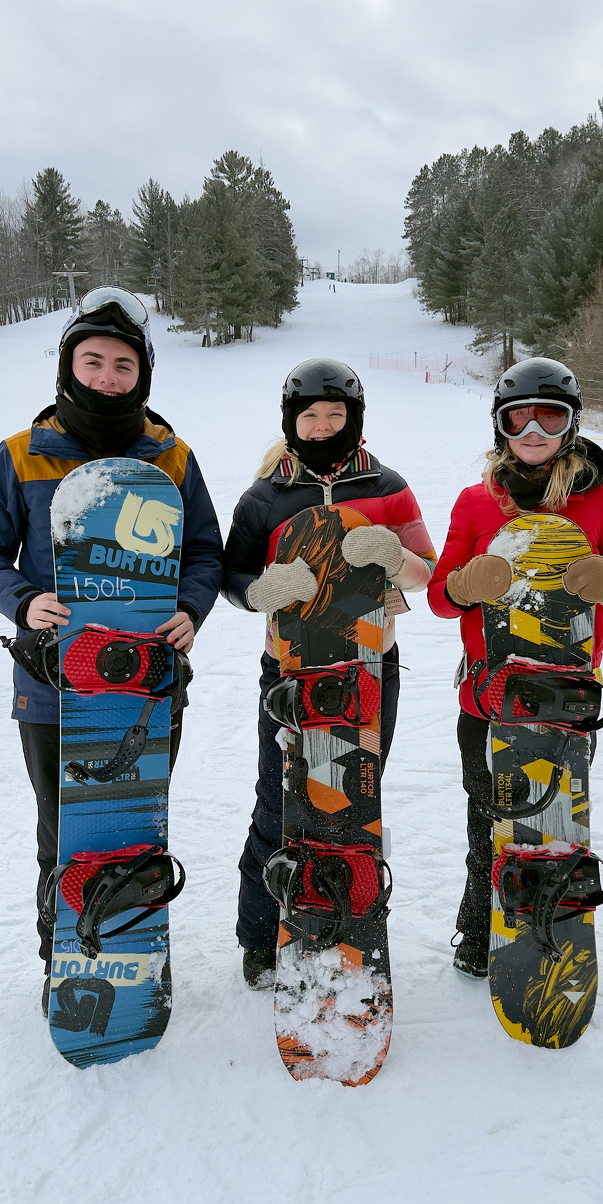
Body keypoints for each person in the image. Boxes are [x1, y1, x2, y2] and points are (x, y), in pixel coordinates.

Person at [0, 287, 224, 987]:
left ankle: (136, 956)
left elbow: (204, 551)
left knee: (136, 824)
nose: (108, 377)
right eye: (93, 360)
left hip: (148, 682)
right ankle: (65, 960)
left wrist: (192, 608)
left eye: (123, 366)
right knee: (66, 832)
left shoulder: (171, 455)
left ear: (143, 375)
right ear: (68, 366)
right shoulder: (22, 453)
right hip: (54, 686)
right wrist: (23, 600)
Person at [427, 357, 603, 978]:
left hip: (565, 701)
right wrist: (464, 586)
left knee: (555, 826)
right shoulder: (476, 503)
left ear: (571, 425)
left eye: (549, 416)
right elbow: (438, 600)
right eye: (517, 418)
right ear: (499, 428)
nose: (533, 430)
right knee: (491, 824)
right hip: (488, 699)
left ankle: (554, 934)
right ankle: (482, 936)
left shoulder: (601, 502)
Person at [222, 358, 437, 988]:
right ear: (291, 421)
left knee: (351, 803)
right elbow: (231, 576)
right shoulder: (265, 497)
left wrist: (395, 554)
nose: (321, 427)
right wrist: (258, 590)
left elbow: (427, 571)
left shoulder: (389, 487)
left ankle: (350, 929)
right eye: (309, 416)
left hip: (368, 665)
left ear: (355, 418)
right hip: (290, 671)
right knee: (279, 805)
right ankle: (260, 938)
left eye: (334, 415)